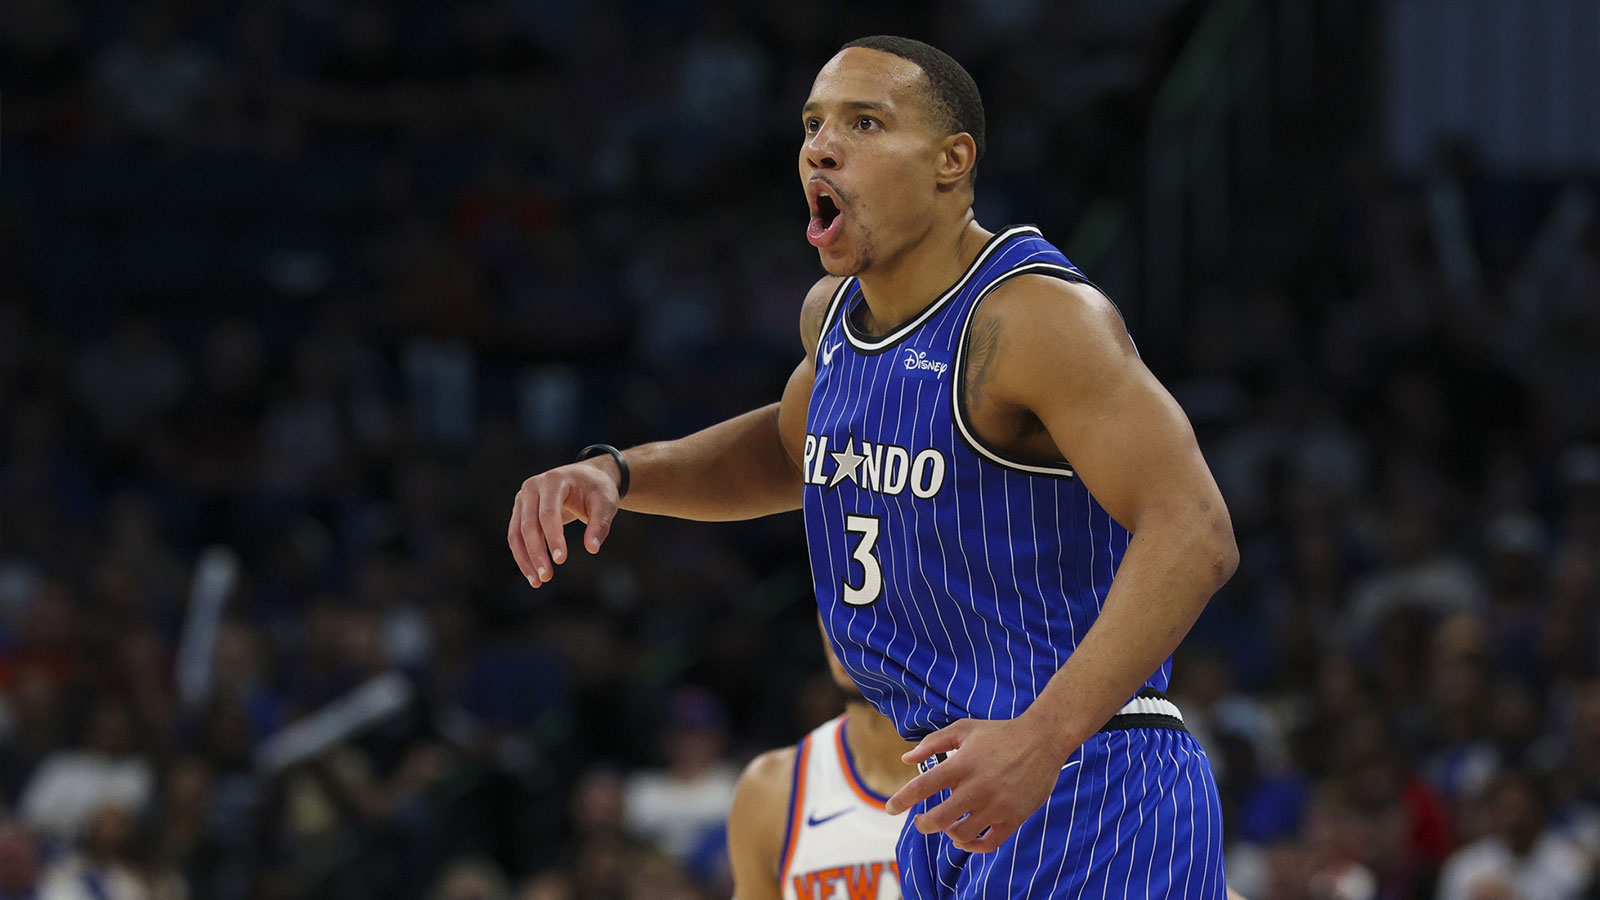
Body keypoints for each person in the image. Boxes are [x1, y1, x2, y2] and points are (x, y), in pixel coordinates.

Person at [509, 35, 1238, 897]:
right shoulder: (837, 318)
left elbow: (1196, 531)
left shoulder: (1034, 317)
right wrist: (619, 474)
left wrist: (1043, 738)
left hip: (1085, 773)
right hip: (953, 790)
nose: (822, 145)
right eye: (814, 123)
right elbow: (793, 450)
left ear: (951, 160)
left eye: (864, 122)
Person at [727, 622, 915, 900]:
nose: (844, 622)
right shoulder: (770, 787)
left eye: (864, 597)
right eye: (830, 596)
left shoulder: (992, 764)